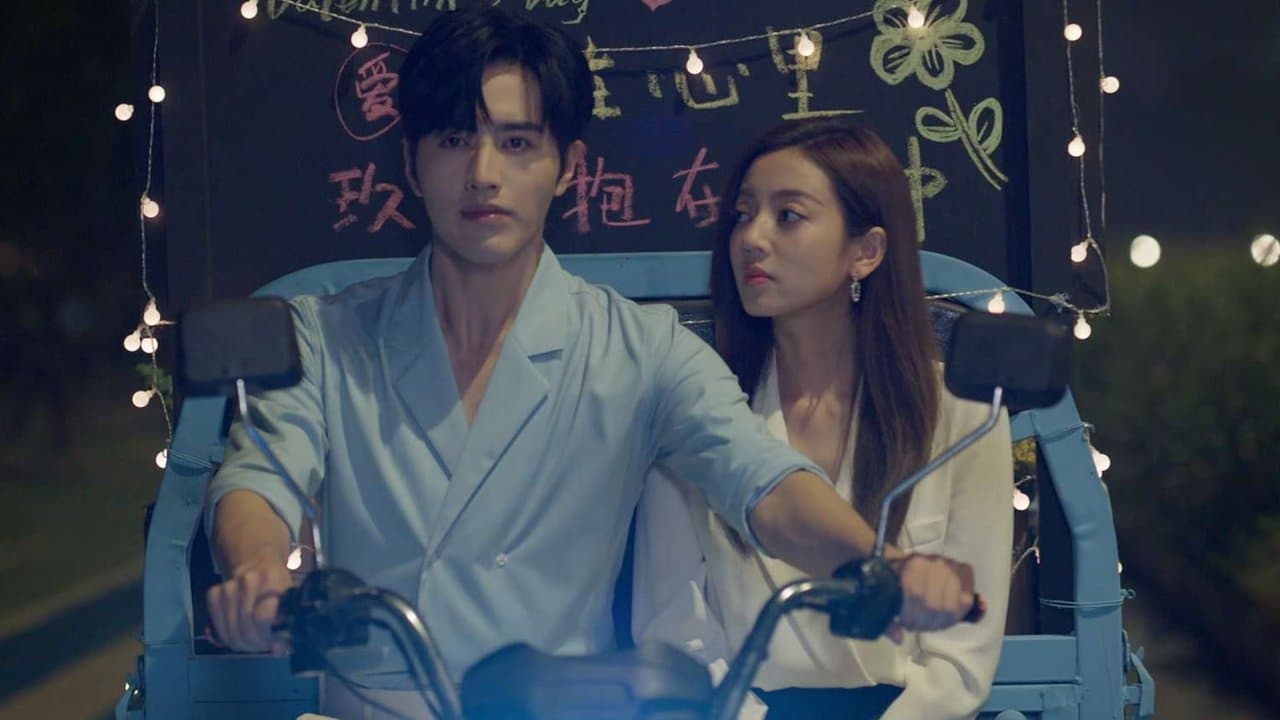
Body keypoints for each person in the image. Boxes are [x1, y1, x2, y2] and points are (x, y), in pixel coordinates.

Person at [202, 8, 979, 718]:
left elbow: (763, 482)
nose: (482, 173)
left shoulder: (642, 350)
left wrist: (880, 564)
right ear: (412, 162)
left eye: (516, 143)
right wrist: (258, 572)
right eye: (453, 140)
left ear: (567, 165)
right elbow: (258, 478)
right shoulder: (326, 336)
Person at [632, 119, 1014, 720]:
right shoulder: (696, 411)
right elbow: (673, 637)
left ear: (866, 251)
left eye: (788, 215)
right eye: (742, 214)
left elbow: (961, 661)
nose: (751, 238)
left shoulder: (960, 411)